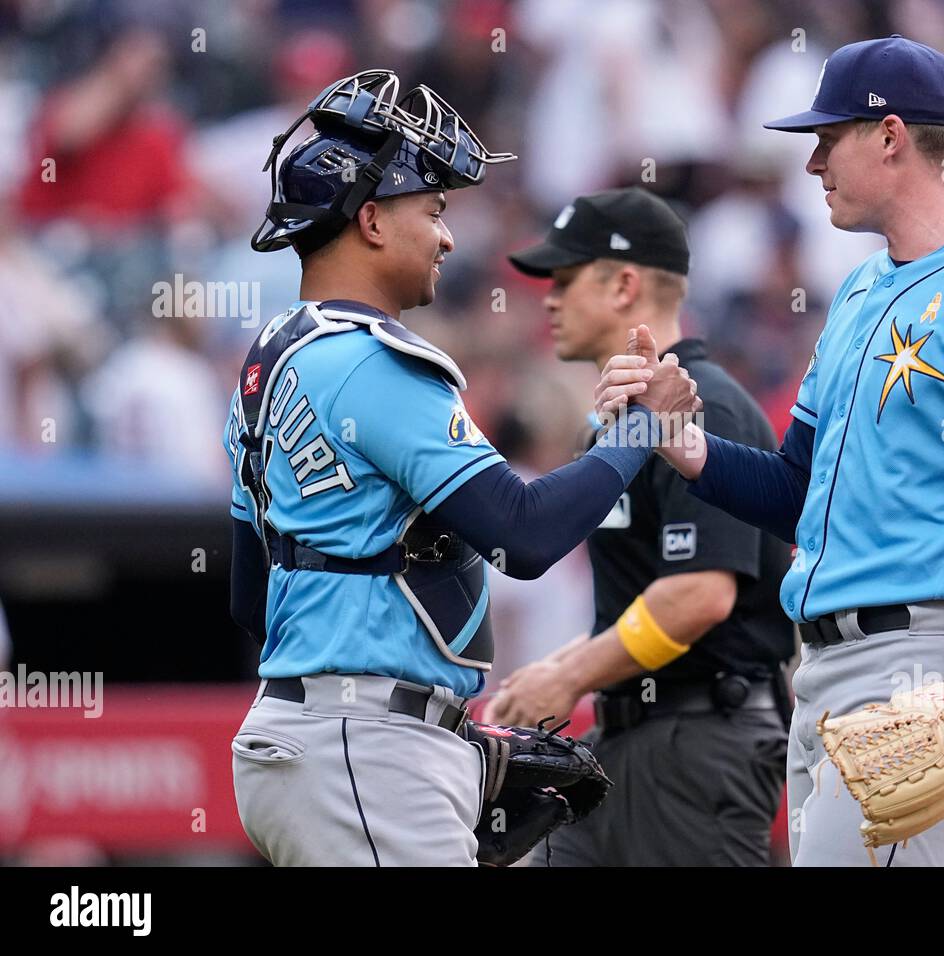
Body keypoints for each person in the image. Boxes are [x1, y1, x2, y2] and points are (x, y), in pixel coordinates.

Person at [597, 36, 944, 866]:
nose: (813, 162)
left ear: (891, 136)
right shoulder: (863, 289)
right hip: (825, 664)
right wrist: (681, 446)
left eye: (829, 139)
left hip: (929, 654)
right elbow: (798, 489)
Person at [224, 71, 699, 866]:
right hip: (364, 753)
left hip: (308, 740)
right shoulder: (373, 361)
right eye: (434, 210)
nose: (447, 237)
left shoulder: (268, 361)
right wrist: (642, 429)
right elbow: (524, 534)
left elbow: (251, 598)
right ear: (371, 220)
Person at [487, 187, 795, 866]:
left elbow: (699, 595)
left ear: (625, 283)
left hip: (699, 739)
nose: (549, 298)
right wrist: (562, 669)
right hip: (626, 737)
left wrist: (567, 675)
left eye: (566, 279)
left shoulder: (705, 403)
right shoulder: (613, 423)